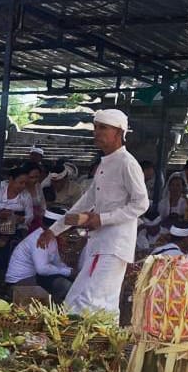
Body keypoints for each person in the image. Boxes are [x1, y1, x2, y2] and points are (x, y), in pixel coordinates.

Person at [40, 108, 148, 317]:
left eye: (103, 128)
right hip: (100, 243)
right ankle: (97, 346)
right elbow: (86, 201)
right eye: (95, 127)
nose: (96, 132)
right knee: (83, 299)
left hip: (114, 244)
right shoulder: (105, 163)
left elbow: (141, 204)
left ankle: (94, 346)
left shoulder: (127, 163)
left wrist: (102, 219)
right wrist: (54, 230)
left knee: (92, 301)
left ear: (119, 132)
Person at [6, 210, 73, 301]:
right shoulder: (38, 239)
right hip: (19, 282)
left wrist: (70, 272)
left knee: (67, 284)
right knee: (63, 286)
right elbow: (42, 269)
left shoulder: (52, 238)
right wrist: (68, 272)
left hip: (36, 277)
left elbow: (57, 262)